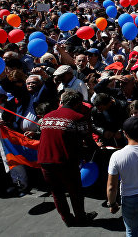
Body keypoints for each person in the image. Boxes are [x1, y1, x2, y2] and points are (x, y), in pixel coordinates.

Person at [38, 91, 98, 227]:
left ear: (62, 101)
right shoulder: (78, 117)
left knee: (57, 192)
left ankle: (67, 219)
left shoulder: (47, 116)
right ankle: (81, 218)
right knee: (75, 191)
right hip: (65, 161)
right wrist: (95, 148)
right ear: (78, 103)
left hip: (45, 161)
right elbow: (88, 139)